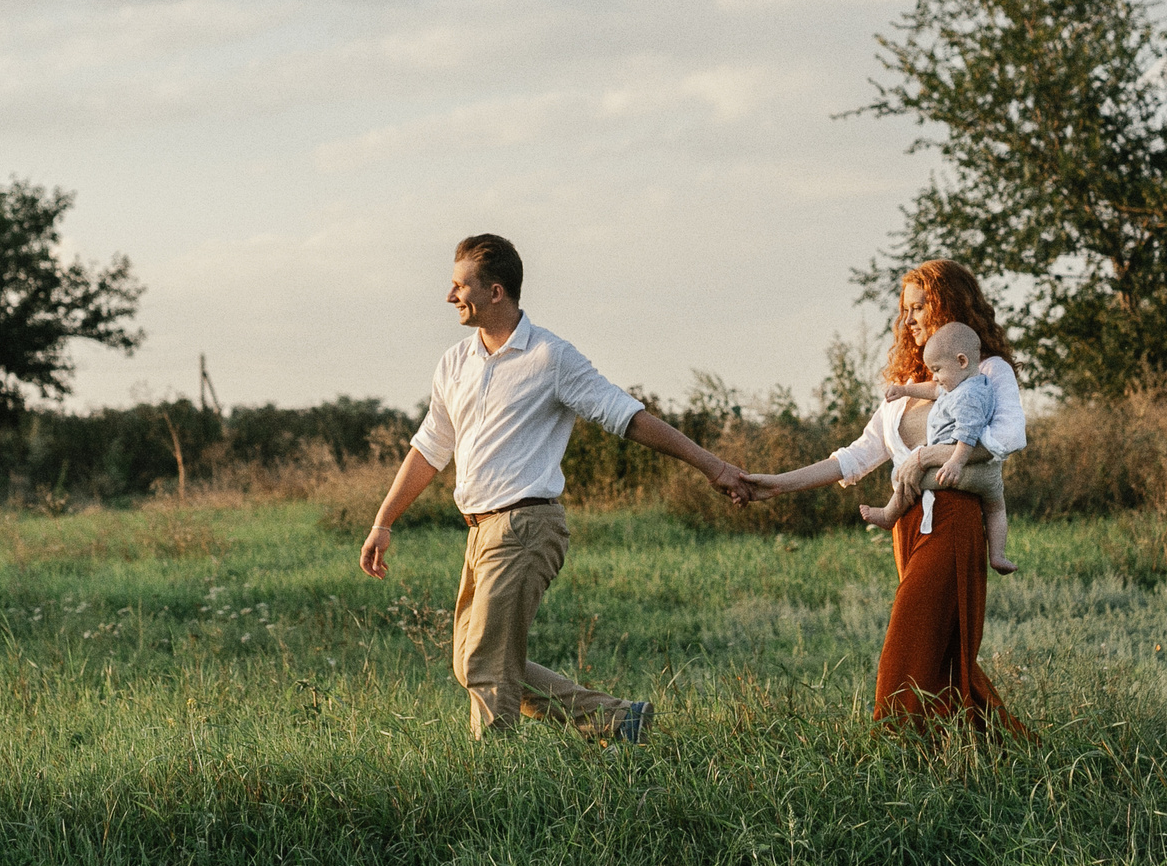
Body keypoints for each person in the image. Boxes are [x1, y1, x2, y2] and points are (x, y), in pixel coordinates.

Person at [359, 233, 750, 743]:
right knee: (470, 661)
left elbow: (628, 417)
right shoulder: (454, 363)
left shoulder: (550, 357)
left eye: (460, 285)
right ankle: (617, 720)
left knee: (485, 663)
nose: (450, 295)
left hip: (525, 525)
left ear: (495, 291)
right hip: (478, 532)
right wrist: (383, 521)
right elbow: (430, 448)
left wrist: (713, 466)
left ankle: (490, 778)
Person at [740, 259, 1026, 731]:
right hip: (907, 527)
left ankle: (892, 743)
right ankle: (976, 748)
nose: (908, 319)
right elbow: (856, 456)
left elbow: (1008, 436)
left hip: (951, 518)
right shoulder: (911, 385)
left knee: (906, 644)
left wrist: (927, 456)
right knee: (937, 654)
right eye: (904, 310)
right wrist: (776, 483)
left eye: (920, 307)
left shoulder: (984, 369)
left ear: (950, 306)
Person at [856, 322, 998, 542]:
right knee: (996, 508)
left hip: (952, 457)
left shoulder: (967, 396)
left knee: (907, 476)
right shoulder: (966, 384)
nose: (935, 377)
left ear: (962, 361)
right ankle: (997, 553)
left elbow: (967, 434)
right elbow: (933, 389)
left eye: (937, 370)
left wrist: (955, 462)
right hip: (976, 467)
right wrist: (904, 390)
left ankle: (888, 514)